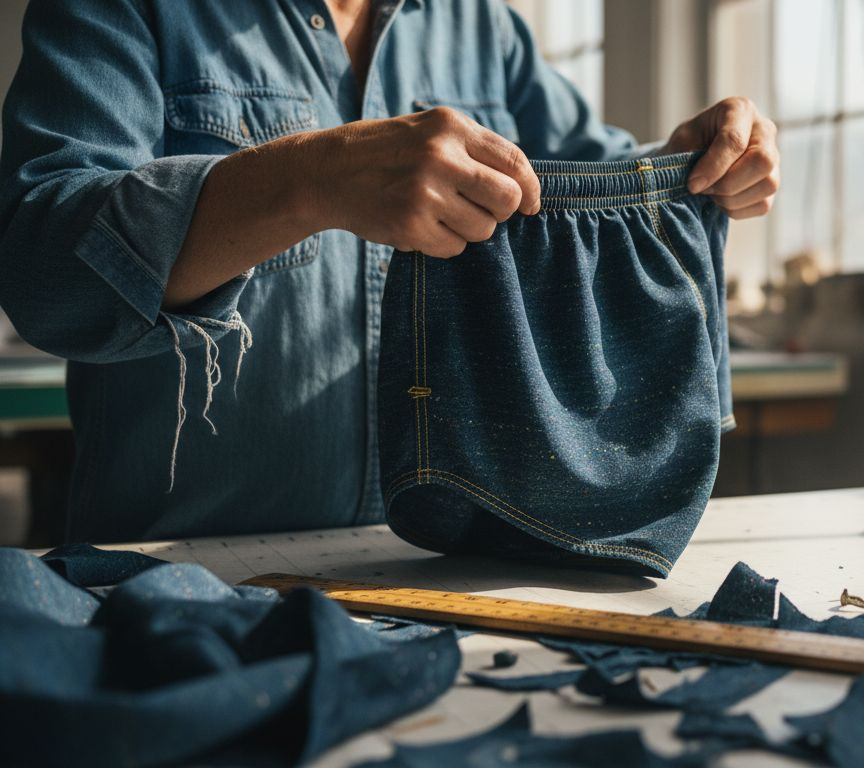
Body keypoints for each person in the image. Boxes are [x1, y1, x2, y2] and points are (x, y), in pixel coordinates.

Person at [0, 0, 780, 543]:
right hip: (179, 585)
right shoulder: (121, 6)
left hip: (455, 587)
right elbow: (44, 275)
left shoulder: (486, 29)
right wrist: (308, 180)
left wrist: (683, 170)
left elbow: (590, 198)